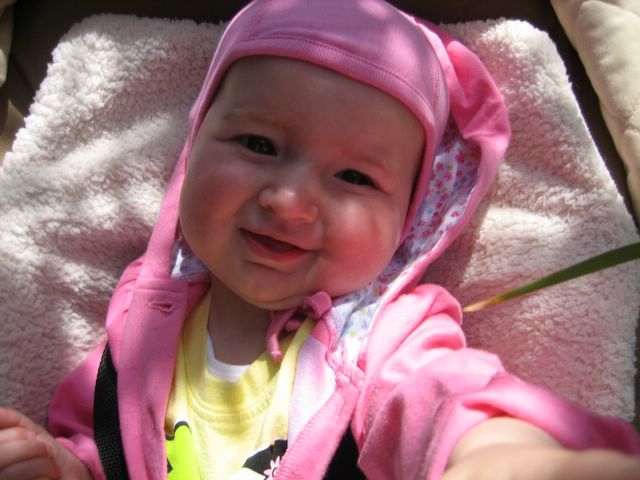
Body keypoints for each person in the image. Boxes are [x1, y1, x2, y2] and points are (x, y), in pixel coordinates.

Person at [1, 0, 640, 478]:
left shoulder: (385, 337)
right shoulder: (141, 313)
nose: (288, 201)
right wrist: (64, 465)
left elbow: (442, 399)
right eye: (258, 144)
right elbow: (98, 438)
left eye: (355, 177)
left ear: (411, 220)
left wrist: (499, 453)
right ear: (193, 150)